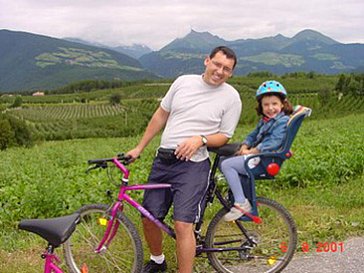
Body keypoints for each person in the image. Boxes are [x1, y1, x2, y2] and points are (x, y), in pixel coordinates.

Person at [126, 46, 242, 273]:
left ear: (231, 73)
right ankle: (158, 261)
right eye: (217, 64)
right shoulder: (182, 83)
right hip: (164, 160)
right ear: (206, 61)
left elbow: (225, 136)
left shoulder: (231, 97)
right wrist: (139, 147)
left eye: (226, 69)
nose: (220, 71)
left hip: (193, 167)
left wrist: (200, 139)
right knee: (149, 217)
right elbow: (161, 114)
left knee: (183, 224)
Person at [220, 80, 293, 222]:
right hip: (258, 157)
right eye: (266, 104)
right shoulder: (266, 120)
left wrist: (252, 151)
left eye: (274, 104)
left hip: (264, 159)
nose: (270, 108)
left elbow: (273, 142)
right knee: (223, 159)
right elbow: (253, 135)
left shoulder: (282, 121)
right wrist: (245, 145)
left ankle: (241, 203)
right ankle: (236, 194)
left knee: (227, 165)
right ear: (261, 106)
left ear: (282, 104)